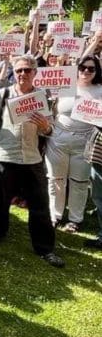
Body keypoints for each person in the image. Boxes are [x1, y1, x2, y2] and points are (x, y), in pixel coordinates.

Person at [0, 54, 64, 267]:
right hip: (4, 156)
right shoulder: (4, 93)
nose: (23, 74)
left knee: (40, 205)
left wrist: (45, 126)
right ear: (13, 73)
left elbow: (50, 130)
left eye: (27, 70)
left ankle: (45, 248)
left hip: (31, 158)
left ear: (35, 72)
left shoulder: (42, 97)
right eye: (19, 71)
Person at [45, 56, 102, 231]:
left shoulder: (100, 90)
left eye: (91, 69)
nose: (86, 71)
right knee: (56, 179)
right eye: (83, 67)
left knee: (79, 181)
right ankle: (55, 215)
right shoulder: (64, 85)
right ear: (77, 68)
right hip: (58, 138)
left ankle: (75, 219)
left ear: (96, 71)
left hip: (85, 141)